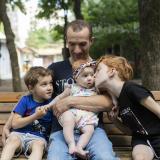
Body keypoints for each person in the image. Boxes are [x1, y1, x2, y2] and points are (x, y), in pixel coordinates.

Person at [2, 20, 118, 160]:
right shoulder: (55, 69)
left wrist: (69, 101)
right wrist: (8, 125)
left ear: (91, 41)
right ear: (66, 41)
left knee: (104, 157)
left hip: (92, 129)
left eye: (82, 44)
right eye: (72, 44)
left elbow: (108, 103)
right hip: (61, 131)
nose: (76, 50)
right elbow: (30, 95)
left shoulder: (99, 69)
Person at [95, 55, 160, 160]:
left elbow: (158, 111)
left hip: (158, 134)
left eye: (98, 70)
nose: (94, 75)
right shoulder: (117, 101)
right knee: (139, 157)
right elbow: (130, 132)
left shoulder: (131, 89)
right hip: (141, 140)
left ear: (111, 71)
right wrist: (114, 120)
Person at [47, 59, 99, 158]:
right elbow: (59, 97)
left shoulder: (96, 89)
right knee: (68, 119)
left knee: (89, 130)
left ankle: (79, 147)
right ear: (75, 77)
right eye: (85, 76)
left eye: (92, 75)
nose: (89, 78)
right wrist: (49, 105)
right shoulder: (72, 88)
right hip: (72, 113)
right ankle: (71, 143)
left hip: (87, 117)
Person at [1, 66, 53, 160]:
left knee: (39, 146)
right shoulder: (25, 100)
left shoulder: (52, 104)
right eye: (44, 84)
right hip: (18, 134)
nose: (49, 88)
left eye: (50, 83)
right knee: (12, 141)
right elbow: (15, 124)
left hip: (38, 137)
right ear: (31, 88)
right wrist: (35, 116)